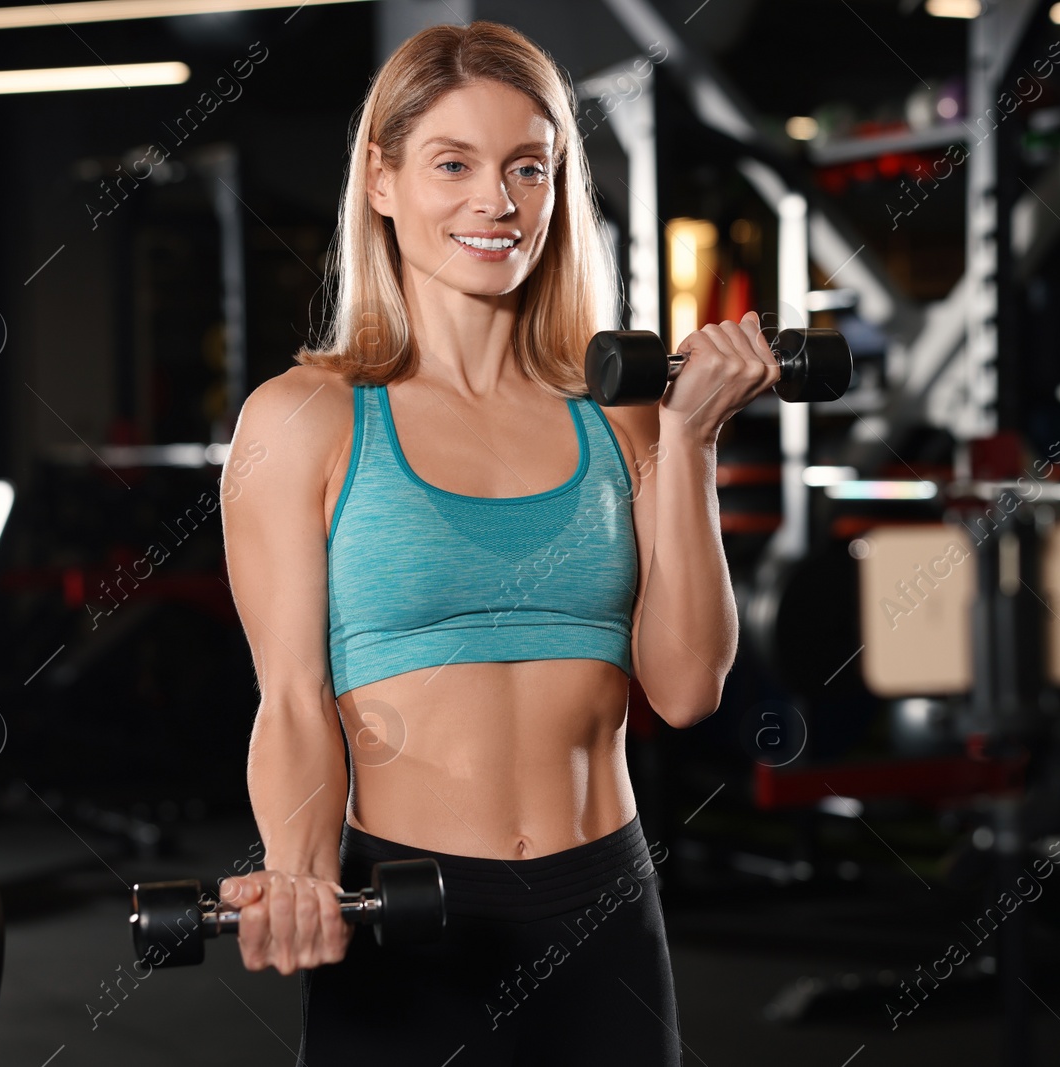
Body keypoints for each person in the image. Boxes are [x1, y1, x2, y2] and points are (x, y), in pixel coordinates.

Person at [216, 19, 781, 1066]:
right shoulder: (305, 419)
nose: (497, 201)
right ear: (380, 180)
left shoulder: (620, 418)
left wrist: (692, 439)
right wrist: (298, 868)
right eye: (454, 164)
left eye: (529, 166)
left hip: (603, 905)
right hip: (409, 908)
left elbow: (688, 686)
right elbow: (293, 697)